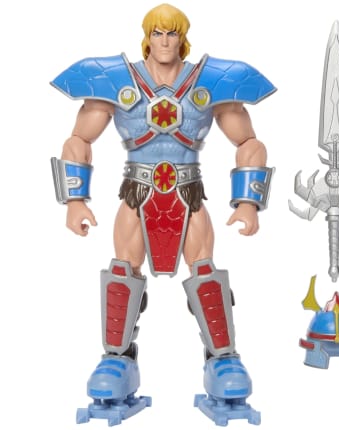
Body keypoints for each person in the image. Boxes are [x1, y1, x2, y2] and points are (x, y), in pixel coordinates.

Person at [51, 3, 275, 426]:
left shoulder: (211, 80)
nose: (165, 41)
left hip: (188, 193)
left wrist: (247, 201)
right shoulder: (116, 79)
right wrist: (75, 200)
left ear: (182, 38)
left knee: (204, 270)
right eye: (158, 33)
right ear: (147, 38)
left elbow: (249, 143)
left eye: (172, 33)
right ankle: (117, 360)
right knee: (123, 271)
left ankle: (222, 360)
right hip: (138, 191)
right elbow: (78, 139)